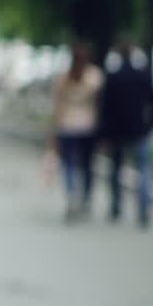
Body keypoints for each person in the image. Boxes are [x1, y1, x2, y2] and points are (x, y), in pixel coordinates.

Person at [99, 37, 153, 228]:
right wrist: (150, 124)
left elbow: (105, 107)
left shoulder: (112, 76)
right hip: (139, 128)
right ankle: (143, 209)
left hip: (117, 130)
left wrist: (105, 133)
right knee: (143, 170)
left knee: (116, 169)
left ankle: (116, 206)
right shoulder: (143, 75)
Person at [49, 43, 103, 222]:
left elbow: (57, 107)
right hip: (88, 127)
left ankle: (71, 195)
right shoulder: (94, 77)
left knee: (69, 165)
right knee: (87, 166)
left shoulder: (62, 79)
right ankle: (86, 198)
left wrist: (54, 130)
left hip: (67, 127)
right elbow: (99, 104)